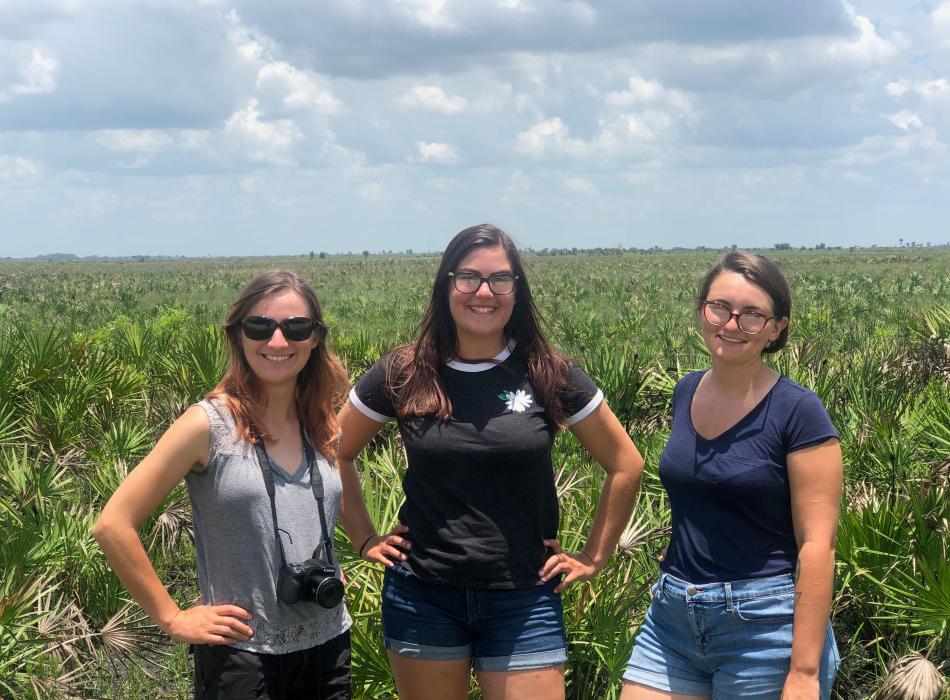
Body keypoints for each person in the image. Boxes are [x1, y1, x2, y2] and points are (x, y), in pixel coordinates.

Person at [334, 223, 644, 700]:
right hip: (423, 594)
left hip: (524, 594)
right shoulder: (405, 371)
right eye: (469, 278)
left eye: (500, 279)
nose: (484, 292)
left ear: (516, 292)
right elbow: (335, 449)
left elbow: (626, 463)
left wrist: (593, 556)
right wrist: (365, 537)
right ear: (447, 286)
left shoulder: (548, 372)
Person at [93, 271, 353, 699]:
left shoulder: (321, 422)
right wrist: (173, 618)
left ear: (314, 338)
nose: (277, 341)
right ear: (238, 336)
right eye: (259, 326)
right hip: (243, 657)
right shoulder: (208, 425)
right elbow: (113, 524)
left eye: (295, 328)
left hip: (329, 645)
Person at [621, 252, 843, 700]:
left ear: (777, 327)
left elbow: (817, 546)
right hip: (673, 618)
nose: (731, 324)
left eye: (752, 315)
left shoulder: (798, 411)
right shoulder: (685, 390)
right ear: (701, 308)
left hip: (764, 627)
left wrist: (802, 672)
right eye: (719, 307)